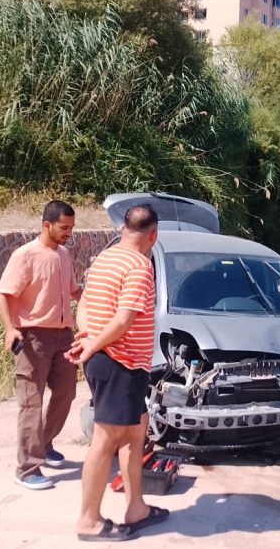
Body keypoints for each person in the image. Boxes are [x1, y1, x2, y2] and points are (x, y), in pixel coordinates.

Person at [68, 205, 169, 542]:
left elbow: (84, 305)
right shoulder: (140, 266)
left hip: (117, 361)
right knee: (106, 439)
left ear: (124, 228)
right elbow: (124, 319)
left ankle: (136, 507)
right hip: (118, 362)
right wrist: (94, 345)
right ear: (153, 235)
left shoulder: (104, 258)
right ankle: (88, 520)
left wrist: (87, 338)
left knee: (136, 430)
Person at [0, 200, 81, 491]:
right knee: (31, 402)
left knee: (67, 393)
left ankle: (44, 444)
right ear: (47, 225)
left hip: (63, 336)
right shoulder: (26, 255)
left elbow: (74, 290)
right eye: (64, 227)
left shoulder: (64, 254)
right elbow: (3, 294)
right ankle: (27, 467)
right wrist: (10, 329)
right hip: (33, 338)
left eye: (71, 227)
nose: (69, 232)